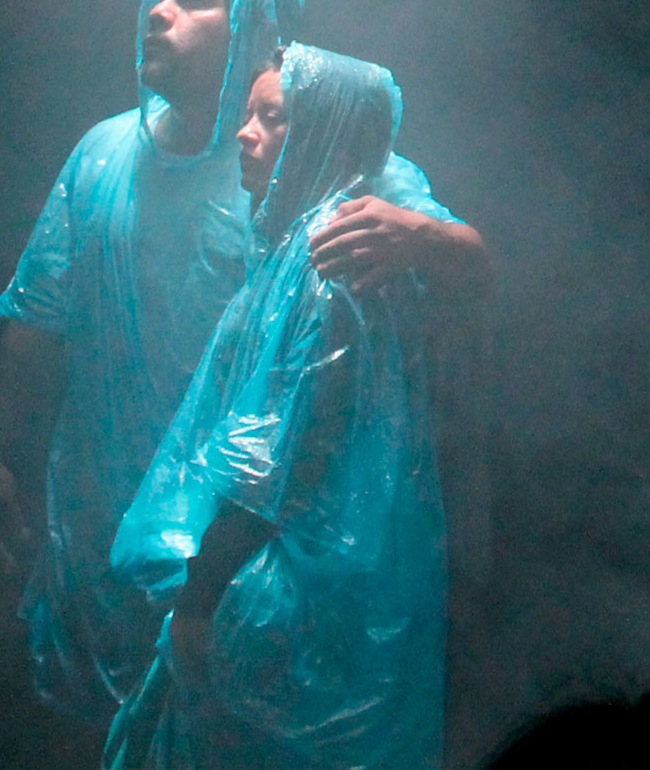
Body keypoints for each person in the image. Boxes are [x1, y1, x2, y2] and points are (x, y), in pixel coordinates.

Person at [0, 0, 483, 726]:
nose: (158, 13)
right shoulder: (103, 155)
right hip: (105, 506)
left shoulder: (311, 161)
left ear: (258, 32)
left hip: (246, 536)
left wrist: (426, 238)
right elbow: (39, 314)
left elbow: (467, 263)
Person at [104, 44, 448, 769]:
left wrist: (200, 598)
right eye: (248, 113)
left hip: (280, 597)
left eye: (273, 118)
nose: (243, 133)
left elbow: (285, 456)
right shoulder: (296, 248)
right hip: (289, 584)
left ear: (326, 134)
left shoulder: (330, 263)